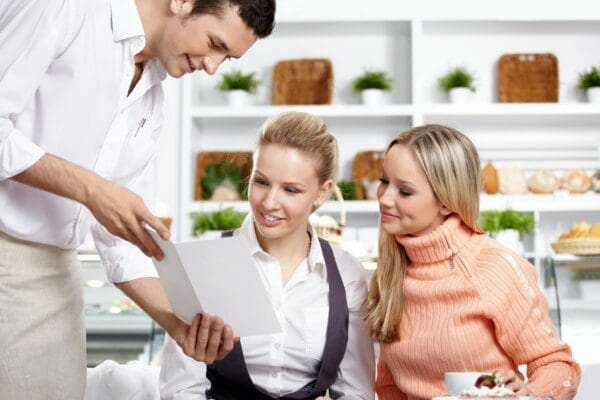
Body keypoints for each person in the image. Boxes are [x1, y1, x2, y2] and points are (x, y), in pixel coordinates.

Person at [0, 0, 275, 398]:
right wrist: (91, 189)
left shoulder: (152, 101)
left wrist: (177, 324)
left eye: (226, 58)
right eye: (214, 44)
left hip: (56, 272)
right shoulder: (66, 9)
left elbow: (123, 242)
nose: (212, 66)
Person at [159, 112, 375, 399]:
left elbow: (355, 391)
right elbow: (181, 389)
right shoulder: (205, 261)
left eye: (291, 190)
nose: (269, 203)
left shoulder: (346, 273)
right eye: (261, 182)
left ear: (322, 193)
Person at [367, 124, 581, 400]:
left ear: (446, 201)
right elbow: (389, 387)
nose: (384, 198)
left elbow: (557, 365)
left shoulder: (494, 267)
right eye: (384, 181)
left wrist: (531, 394)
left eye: (405, 191)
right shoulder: (391, 271)